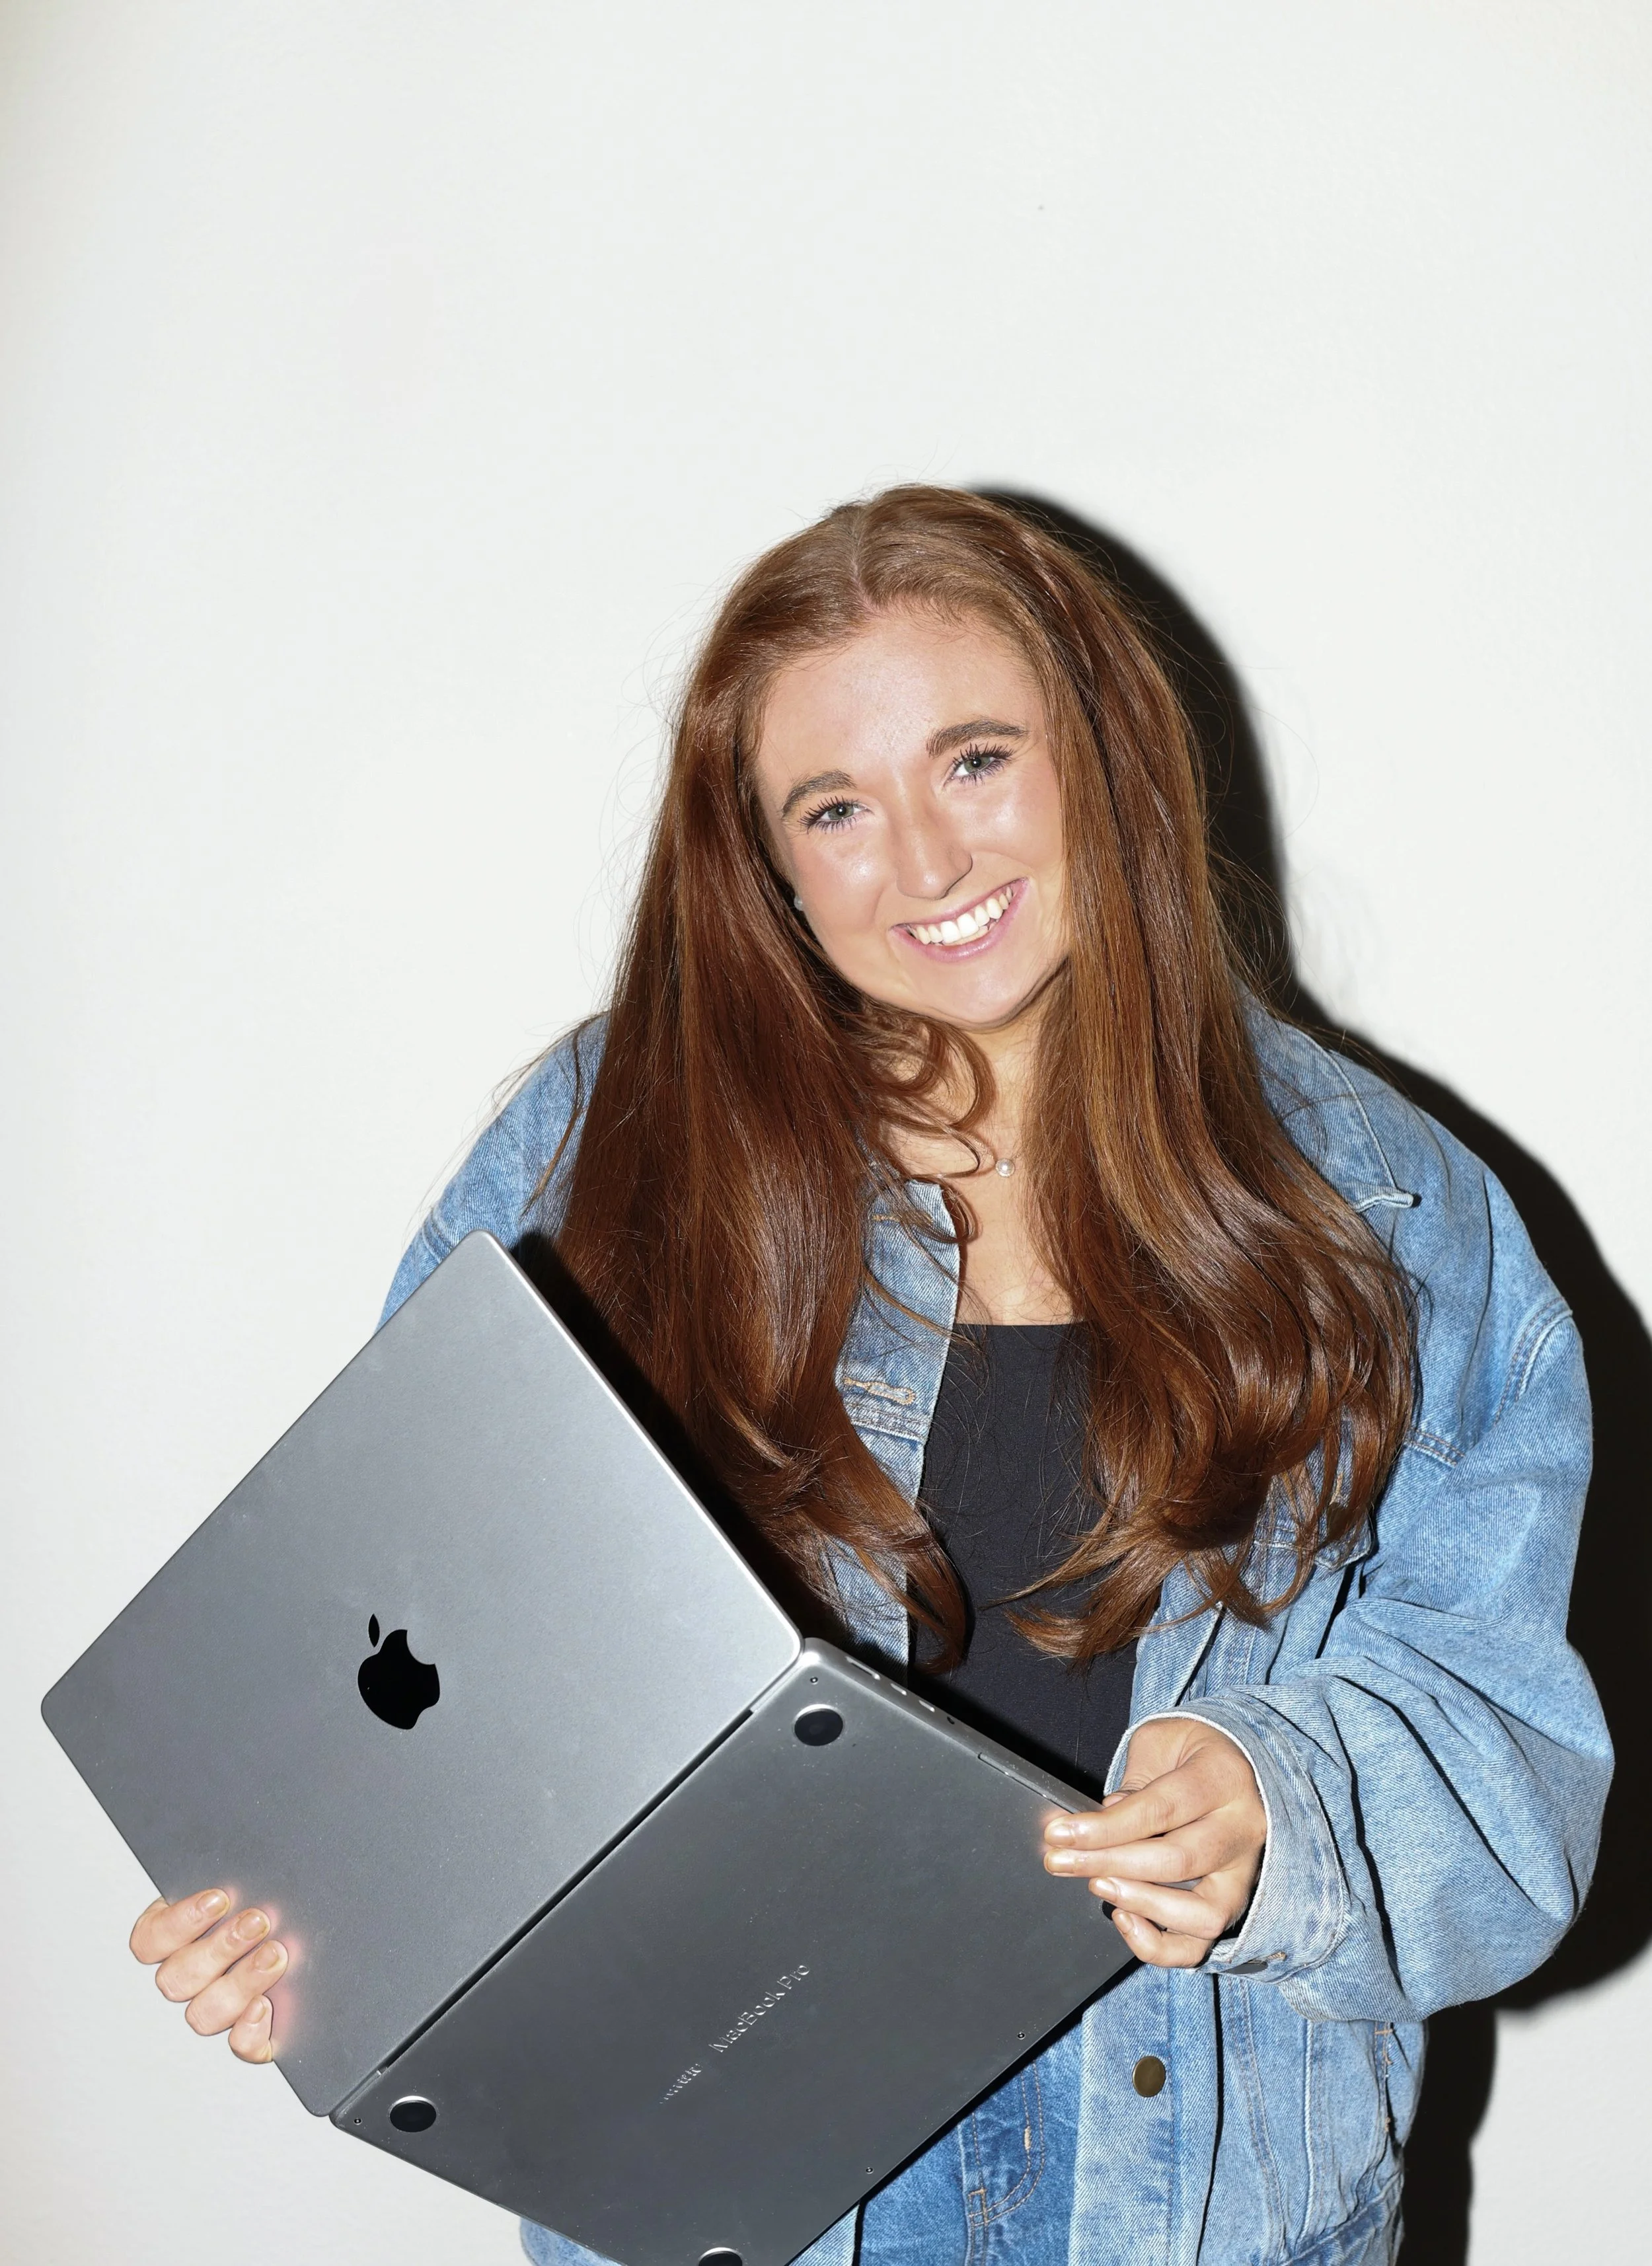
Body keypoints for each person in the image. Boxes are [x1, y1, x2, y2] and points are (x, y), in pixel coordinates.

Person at [129, 488, 1610, 2266]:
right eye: (833, 807)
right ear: (761, 860)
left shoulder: (1378, 1204)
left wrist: (1278, 1808)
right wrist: (321, 1909)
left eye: (975, 761)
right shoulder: (597, 1156)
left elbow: (1515, 1761)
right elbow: (399, 1634)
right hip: (732, 2195)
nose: (925, 862)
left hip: (1216, 2220)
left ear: (1099, 754)